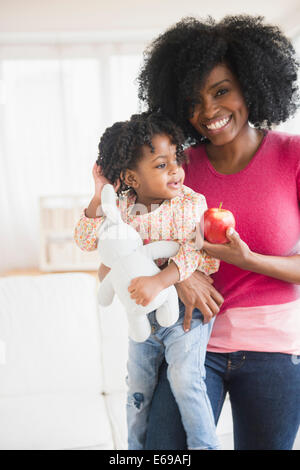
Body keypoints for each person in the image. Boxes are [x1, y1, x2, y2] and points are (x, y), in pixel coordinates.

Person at [135, 15, 300, 450]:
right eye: (193, 99)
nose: (208, 111)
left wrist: (248, 261)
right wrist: (180, 273)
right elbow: (133, 233)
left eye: (221, 90)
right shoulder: (176, 167)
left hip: (275, 351)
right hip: (188, 343)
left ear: (252, 83)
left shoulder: (293, 156)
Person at [74, 112, 222, 450]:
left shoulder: (189, 203)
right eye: (160, 165)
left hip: (186, 313)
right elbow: (85, 240)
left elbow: (198, 253)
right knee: (138, 390)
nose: (175, 169)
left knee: (185, 380)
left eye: (175, 159)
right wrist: (99, 194)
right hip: (141, 319)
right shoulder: (122, 208)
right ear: (131, 177)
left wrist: (160, 280)